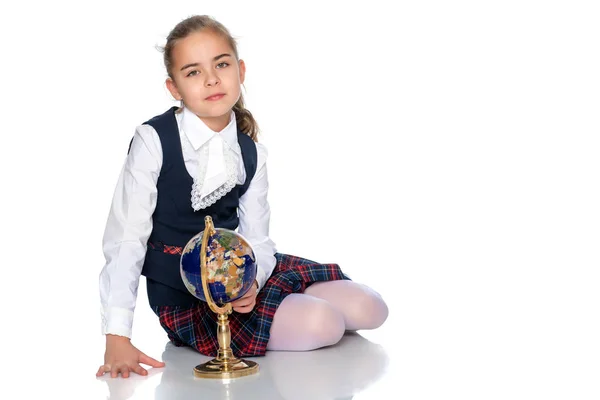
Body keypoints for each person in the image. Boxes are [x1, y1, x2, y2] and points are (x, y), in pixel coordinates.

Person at [96, 15, 389, 379]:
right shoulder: (154, 141)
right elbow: (126, 238)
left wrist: (252, 283)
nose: (211, 79)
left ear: (241, 69)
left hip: (241, 272)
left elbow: (258, 239)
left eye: (221, 64)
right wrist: (116, 335)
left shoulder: (251, 152)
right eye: (193, 72)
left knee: (370, 307)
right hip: (188, 296)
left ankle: (283, 306)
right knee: (324, 323)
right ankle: (296, 314)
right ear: (174, 88)